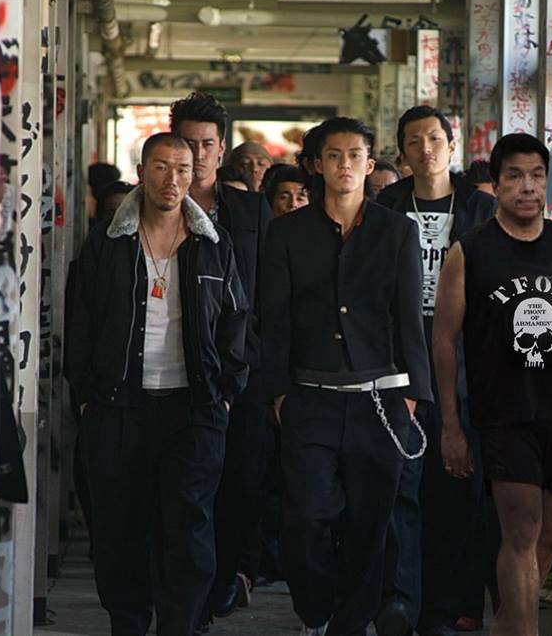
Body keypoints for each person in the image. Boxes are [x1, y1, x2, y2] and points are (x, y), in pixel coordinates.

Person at [432, 133, 552, 636]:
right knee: (521, 531)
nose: (528, 187)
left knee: (550, 534)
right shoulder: (469, 253)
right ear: (496, 185)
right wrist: (451, 424)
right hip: (504, 413)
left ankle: (507, 625)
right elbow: (445, 339)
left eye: (537, 175)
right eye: (515, 176)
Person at [66, 132, 249, 636]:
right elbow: (81, 322)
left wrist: (225, 394)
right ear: (142, 172)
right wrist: (86, 397)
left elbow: (236, 321)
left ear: (196, 175)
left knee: (188, 527)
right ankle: (127, 623)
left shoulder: (213, 244)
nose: (173, 179)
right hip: (117, 406)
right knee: (119, 529)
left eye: (183, 169)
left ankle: (180, 625)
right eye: (162, 167)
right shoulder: (107, 242)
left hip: (194, 407)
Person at [261, 117, 432, 636]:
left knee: (370, 523)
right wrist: (278, 392)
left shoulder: (397, 231)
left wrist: (413, 395)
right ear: (317, 165)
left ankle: (351, 623)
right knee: (307, 515)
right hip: (310, 396)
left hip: (380, 400)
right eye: (334, 155)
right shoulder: (287, 232)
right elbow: (274, 317)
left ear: (370, 163)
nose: (345, 165)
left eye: (355, 155)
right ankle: (316, 609)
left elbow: (409, 316)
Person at [374, 105, 496, 636]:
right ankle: (400, 601)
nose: (425, 149)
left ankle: (442, 609)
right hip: (399, 362)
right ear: (402, 151)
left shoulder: (480, 208)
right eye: (413, 141)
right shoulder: (385, 205)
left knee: (456, 491)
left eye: (434, 139)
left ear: (451, 144)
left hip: (464, 365)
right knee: (399, 487)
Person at [169, 92, 275, 621]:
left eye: (207, 144)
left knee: (242, 480)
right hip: (173, 366)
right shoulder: (154, 209)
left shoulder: (251, 212)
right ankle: (187, 594)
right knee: (182, 487)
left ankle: (225, 577)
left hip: (245, 366)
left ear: (222, 148)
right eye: (188, 143)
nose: (198, 154)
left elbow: (275, 290)